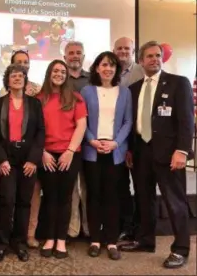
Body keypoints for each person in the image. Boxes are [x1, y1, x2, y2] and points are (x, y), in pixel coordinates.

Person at [121, 41, 194, 269]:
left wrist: (182, 151)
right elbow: (133, 123)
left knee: (175, 202)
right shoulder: (133, 89)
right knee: (144, 199)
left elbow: (186, 121)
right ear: (140, 61)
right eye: (149, 56)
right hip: (141, 153)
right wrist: (131, 150)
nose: (154, 59)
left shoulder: (178, 83)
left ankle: (180, 249)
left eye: (158, 55)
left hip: (170, 154)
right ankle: (145, 240)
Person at [80, 51, 132, 260]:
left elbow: (128, 121)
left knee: (112, 197)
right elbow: (81, 120)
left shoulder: (125, 92)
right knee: (94, 196)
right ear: (97, 68)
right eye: (104, 65)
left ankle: (111, 241)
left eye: (112, 65)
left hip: (115, 151)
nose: (108, 69)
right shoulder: (86, 91)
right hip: (92, 149)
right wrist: (91, 140)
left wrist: (115, 143)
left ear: (116, 69)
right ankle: (94, 239)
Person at [0, 64, 45, 263]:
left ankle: (20, 242)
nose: (17, 78)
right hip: (6, 157)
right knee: (6, 200)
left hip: (28, 158)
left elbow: (40, 133)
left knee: (24, 201)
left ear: (25, 79)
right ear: (7, 80)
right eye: (13, 75)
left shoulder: (35, 104)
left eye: (21, 75)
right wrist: (1, 159)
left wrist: (33, 159)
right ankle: (1, 244)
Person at [37, 60, 87, 259]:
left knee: (65, 198)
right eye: (55, 71)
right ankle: (49, 237)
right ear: (49, 73)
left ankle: (61, 240)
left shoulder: (75, 98)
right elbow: (33, 129)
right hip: (46, 154)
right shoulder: (39, 99)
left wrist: (70, 151)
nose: (59, 74)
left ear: (67, 76)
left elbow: (81, 126)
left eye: (62, 71)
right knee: (50, 197)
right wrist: (42, 151)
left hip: (69, 154)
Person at [113, 36, 144, 242]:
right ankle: (124, 225)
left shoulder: (142, 71)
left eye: (127, 48)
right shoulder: (108, 71)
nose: (123, 51)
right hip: (117, 139)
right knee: (121, 186)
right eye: (119, 48)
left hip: (139, 138)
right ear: (113, 50)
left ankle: (140, 228)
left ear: (133, 51)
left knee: (142, 186)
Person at [63, 41, 90, 240]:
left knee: (88, 187)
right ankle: (72, 229)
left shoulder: (92, 80)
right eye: (70, 53)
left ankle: (89, 228)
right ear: (65, 57)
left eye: (78, 53)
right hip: (65, 143)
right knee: (70, 188)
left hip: (89, 142)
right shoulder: (59, 79)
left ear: (83, 56)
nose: (74, 56)